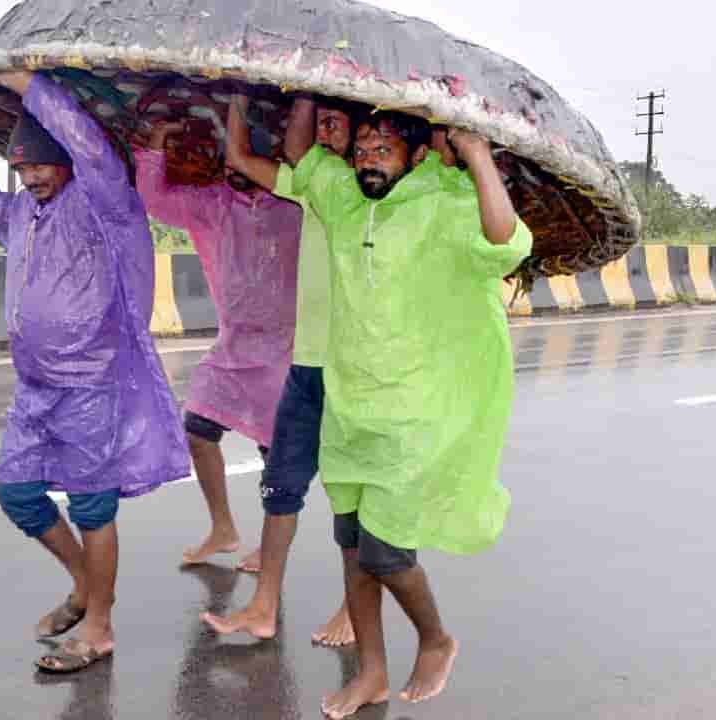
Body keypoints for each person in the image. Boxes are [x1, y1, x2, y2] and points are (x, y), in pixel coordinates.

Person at [219, 93, 532, 718]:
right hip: (348, 410)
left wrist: (473, 154)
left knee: (387, 553)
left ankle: (437, 638)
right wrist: (302, 90)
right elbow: (302, 156)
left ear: (414, 155)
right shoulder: (339, 198)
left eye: (383, 149)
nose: (367, 160)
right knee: (354, 551)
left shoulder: (442, 203)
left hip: (413, 415)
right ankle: (372, 675)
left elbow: (507, 243)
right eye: (362, 149)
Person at [0, 70, 190, 675]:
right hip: (34, 390)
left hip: (91, 385)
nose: (30, 177)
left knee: (91, 509)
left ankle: (101, 628)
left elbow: (89, 147)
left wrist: (32, 88)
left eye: (40, 166)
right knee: (17, 493)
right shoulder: (20, 213)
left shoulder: (100, 201)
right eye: (21, 168)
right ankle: (86, 586)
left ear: (67, 163)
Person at [201, 96, 360, 648]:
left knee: (354, 502)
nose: (327, 132)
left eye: (340, 123)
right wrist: (247, 103)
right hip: (306, 367)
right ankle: (263, 607)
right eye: (323, 125)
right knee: (281, 488)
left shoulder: (390, 197)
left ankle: (353, 607)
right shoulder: (312, 183)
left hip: (358, 374)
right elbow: (243, 158)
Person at [133, 118, 299, 574]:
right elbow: (155, 199)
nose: (237, 168)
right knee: (197, 430)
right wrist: (156, 144)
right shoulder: (214, 204)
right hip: (232, 348)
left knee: (276, 459)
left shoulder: (298, 206)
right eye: (232, 159)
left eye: (248, 157)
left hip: (285, 353)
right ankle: (223, 528)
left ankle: (271, 547)